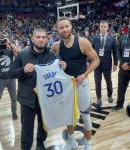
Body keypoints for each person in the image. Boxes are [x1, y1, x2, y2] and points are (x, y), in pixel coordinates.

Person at [9, 28, 66, 150]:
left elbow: (58, 77)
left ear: (47, 39)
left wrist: (62, 68)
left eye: (43, 37)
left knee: (43, 125)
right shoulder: (22, 55)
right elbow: (10, 73)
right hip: (27, 100)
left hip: (46, 100)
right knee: (27, 129)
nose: (41, 39)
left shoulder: (52, 56)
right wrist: (22, 70)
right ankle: (26, 148)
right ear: (32, 39)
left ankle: (40, 145)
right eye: (38, 37)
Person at [51, 17, 100, 150]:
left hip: (81, 83)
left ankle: (88, 143)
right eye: (61, 27)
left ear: (71, 26)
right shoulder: (56, 46)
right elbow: (49, 63)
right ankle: (71, 141)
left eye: (66, 26)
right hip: (65, 86)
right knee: (68, 115)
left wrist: (84, 75)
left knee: (85, 114)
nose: (64, 29)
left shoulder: (82, 42)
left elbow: (96, 60)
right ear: (57, 30)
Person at [0, 38, 19, 121]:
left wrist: (9, 42)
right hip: (0, 79)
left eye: (3, 42)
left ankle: (14, 112)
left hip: (11, 78)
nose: (2, 44)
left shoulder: (10, 51)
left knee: (13, 97)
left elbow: (18, 52)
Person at [92, 20, 118, 106]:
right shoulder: (95, 38)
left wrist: (115, 63)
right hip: (97, 64)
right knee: (97, 82)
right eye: (101, 27)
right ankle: (99, 97)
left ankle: (110, 95)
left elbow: (115, 52)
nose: (103, 28)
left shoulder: (112, 39)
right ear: (99, 27)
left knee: (108, 81)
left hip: (107, 64)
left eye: (104, 27)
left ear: (107, 28)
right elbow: (91, 51)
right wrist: (90, 62)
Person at [112, 30, 130, 111]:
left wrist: (129, 64)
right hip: (123, 68)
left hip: (128, 66)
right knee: (121, 87)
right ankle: (119, 104)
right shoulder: (123, 37)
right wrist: (122, 63)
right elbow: (118, 51)